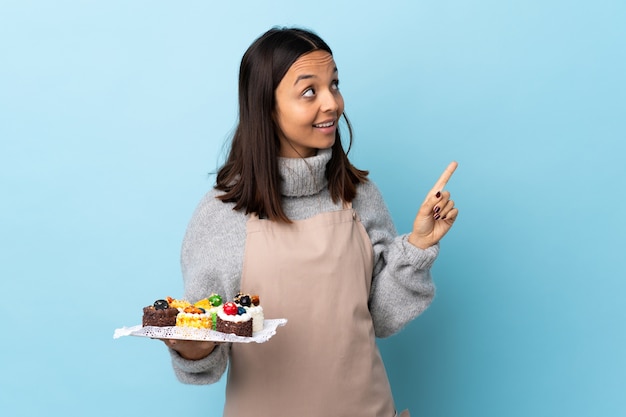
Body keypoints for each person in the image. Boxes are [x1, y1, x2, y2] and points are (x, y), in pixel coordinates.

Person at [163, 27, 458, 417]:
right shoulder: (223, 214)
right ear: (266, 106)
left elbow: (382, 319)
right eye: (309, 91)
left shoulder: (358, 195)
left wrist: (418, 245)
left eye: (333, 85)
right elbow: (205, 360)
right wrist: (192, 345)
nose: (332, 103)